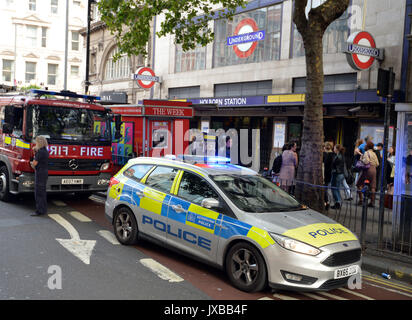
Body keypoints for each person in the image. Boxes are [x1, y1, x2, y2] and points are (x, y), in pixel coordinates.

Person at [30, 136, 49, 216]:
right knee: (43, 192)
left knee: (38, 193)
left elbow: (34, 164)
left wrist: (31, 164)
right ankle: (43, 210)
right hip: (44, 173)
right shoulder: (45, 150)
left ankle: (39, 211)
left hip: (40, 173)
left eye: (36, 142)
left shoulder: (40, 152)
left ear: (39, 143)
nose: (35, 143)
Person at [356, 140, 379, 207]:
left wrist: (361, 159)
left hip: (367, 170)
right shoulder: (374, 154)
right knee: (373, 187)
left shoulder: (366, 153)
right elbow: (377, 163)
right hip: (374, 170)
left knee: (358, 183)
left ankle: (361, 200)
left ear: (367, 146)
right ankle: (372, 202)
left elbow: (366, 162)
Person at [330, 144, 346, 210]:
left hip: (337, 174)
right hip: (340, 174)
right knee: (336, 188)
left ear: (337, 149)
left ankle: (337, 203)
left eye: (334, 148)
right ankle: (337, 203)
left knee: (334, 188)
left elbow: (335, 165)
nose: (333, 149)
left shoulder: (338, 156)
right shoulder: (340, 156)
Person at [323, 142, 334, 210]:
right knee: (325, 189)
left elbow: (325, 164)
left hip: (325, 174)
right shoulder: (332, 154)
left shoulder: (326, 155)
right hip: (329, 174)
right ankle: (326, 202)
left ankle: (326, 202)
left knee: (324, 189)